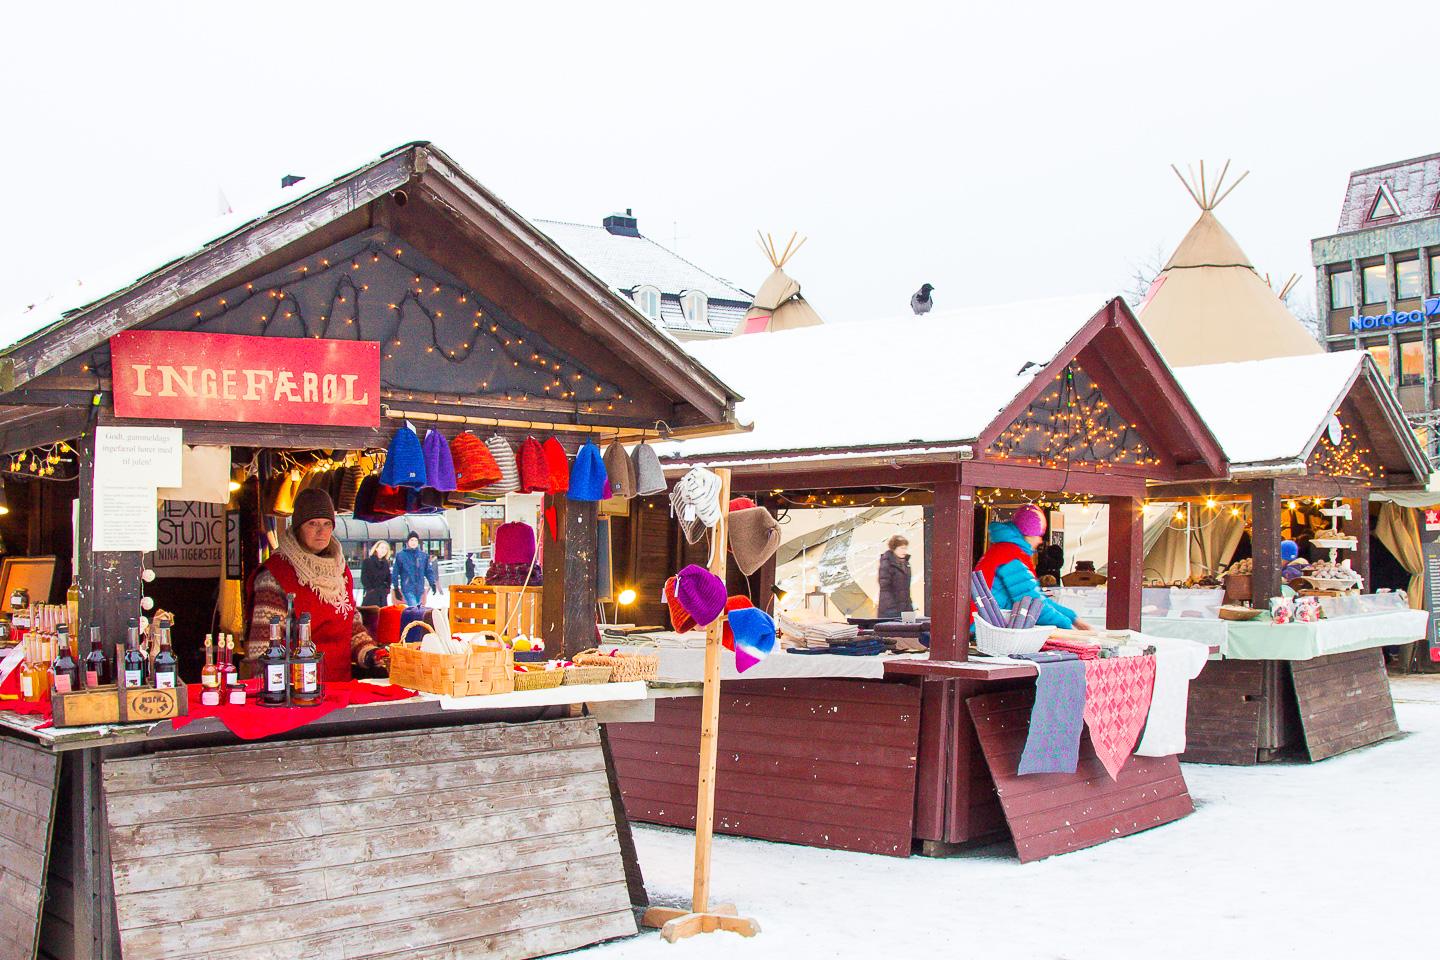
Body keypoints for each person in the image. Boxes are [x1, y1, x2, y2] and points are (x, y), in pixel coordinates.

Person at [247, 488, 384, 682]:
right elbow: (263, 648)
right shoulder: (277, 574)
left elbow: (351, 627)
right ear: (298, 527)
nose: (321, 531)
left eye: (327, 524)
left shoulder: (339, 570)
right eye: (312, 524)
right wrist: (274, 692)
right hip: (296, 692)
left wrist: (370, 653)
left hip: (340, 688)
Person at [975, 505, 1092, 631]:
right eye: (1038, 535)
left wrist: (1072, 617)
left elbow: (1038, 600)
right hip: (983, 628)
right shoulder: (1010, 556)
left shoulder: (1005, 550)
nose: (1040, 540)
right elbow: (1032, 604)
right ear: (1028, 534)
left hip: (986, 625)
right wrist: (1068, 627)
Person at [392, 532, 437, 607]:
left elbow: (428, 571)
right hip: (407, 587)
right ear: (407, 542)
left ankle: (412, 618)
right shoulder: (401, 556)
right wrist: (396, 587)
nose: (413, 542)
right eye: (412, 540)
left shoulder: (423, 556)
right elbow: (395, 572)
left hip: (419, 587)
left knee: (417, 609)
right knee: (414, 607)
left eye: (416, 540)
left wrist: (432, 583)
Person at [877, 535, 915, 619]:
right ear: (894, 548)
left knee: (911, 629)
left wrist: (909, 606)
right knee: (894, 630)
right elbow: (885, 585)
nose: (904, 551)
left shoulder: (906, 563)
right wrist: (892, 607)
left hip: (906, 607)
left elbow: (906, 588)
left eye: (905, 548)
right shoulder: (887, 563)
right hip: (891, 609)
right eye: (901, 548)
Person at [360, 540, 393, 607]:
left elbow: (388, 578)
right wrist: (370, 589)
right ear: (376, 549)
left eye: (385, 548)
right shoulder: (367, 561)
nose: (383, 550)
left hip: (382, 595)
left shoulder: (386, 563)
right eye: (382, 547)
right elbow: (364, 577)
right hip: (371, 595)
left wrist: (387, 589)